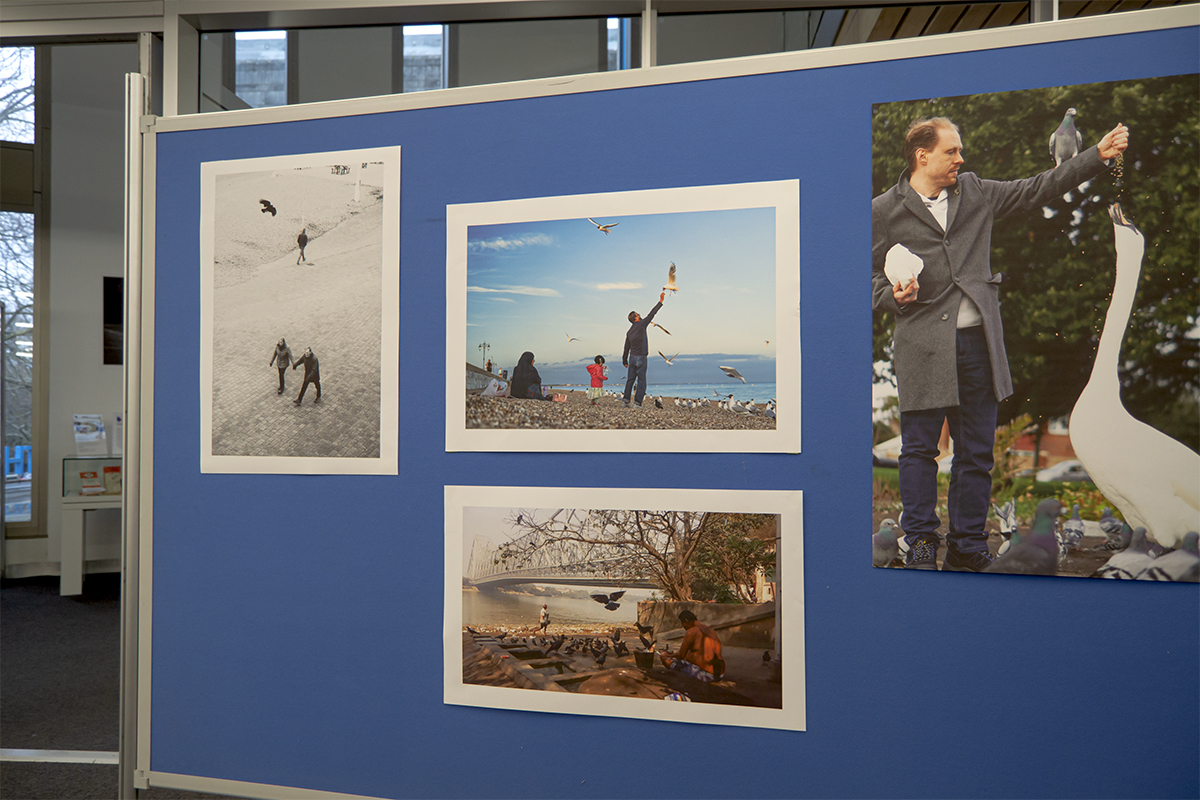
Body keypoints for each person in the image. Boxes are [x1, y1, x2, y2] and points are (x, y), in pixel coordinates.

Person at [872, 116, 1129, 572]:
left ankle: (968, 544)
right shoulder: (882, 210)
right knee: (918, 451)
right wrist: (891, 295)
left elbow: (1037, 188)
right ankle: (921, 540)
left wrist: (1097, 155)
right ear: (922, 156)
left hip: (980, 347)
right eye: (952, 151)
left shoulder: (975, 191)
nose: (961, 159)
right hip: (922, 348)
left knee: (976, 452)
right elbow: (859, 274)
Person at [622, 292, 665, 408]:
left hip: (631, 358)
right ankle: (637, 403)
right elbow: (652, 314)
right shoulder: (641, 324)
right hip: (641, 357)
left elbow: (626, 347)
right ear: (635, 317)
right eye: (638, 314)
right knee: (641, 381)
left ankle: (625, 401)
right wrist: (660, 301)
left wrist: (624, 361)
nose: (639, 315)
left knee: (630, 380)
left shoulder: (629, 331)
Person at [658, 609, 724, 682]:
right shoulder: (710, 630)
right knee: (681, 661)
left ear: (686, 621)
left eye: (683, 623)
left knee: (667, 661)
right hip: (720, 674)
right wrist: (673, 655)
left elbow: (681, 655)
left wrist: (668, 656)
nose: (684, 627)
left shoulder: (692, 631)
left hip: (706, 675)